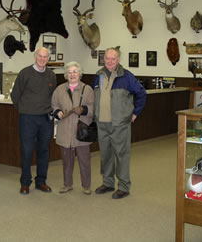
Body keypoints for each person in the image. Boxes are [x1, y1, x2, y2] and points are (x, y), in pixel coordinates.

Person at [91, 47, 146, 199]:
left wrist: (135, 113)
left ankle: (123, 186)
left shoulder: (126, 76)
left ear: (118, 60)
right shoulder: (98, 76)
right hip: (102, 123)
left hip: (120, 124)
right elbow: (93, 97)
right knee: (106, 155)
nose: (109, 61)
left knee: (122, 155)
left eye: (113, 59)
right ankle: (108, 183)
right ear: (104, 59)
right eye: (107, 58)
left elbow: (141, 93)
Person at [11, 47, 57, 195]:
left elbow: (52, 96)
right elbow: (15, 95)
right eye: (40, 56)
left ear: (48, 59)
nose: (42, 59)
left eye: (45, 57)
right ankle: (25, 183)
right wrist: (24, 109)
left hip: (45, 118)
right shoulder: (25, 73)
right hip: (27, 119)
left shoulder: (51, 75)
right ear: (35, 56)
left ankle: (41, 181)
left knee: (43, 150)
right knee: (26, 151)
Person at [51, 62, 94, 195]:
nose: (72, 74)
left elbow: (93, 108)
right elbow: (53, 104)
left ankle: (86, 186)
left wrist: (84, 109)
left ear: (80, 73)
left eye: (75, 71)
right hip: (64, 130)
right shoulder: (59, 89)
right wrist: (57, 111)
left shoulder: (87, 89)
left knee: (84, 160)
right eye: (69, 72)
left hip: (81, 130)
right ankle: (67, 184)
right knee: (66, 161)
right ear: (66, 75)